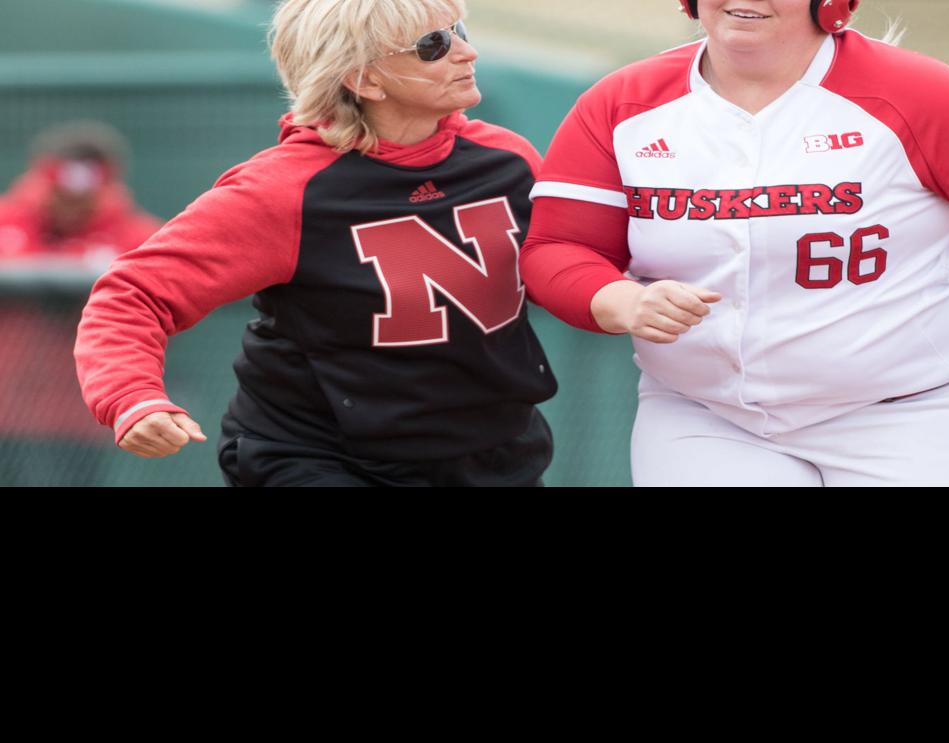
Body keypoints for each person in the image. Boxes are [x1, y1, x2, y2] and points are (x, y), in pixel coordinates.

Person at [521, 0, 949, 487]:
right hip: (708, 416)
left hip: (919, 414)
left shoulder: (912, 92)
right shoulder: (622, 103)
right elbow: (556, 249)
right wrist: (617, 301)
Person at [73, 0, 558, 486]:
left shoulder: (507, 157)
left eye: (458, 30)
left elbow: (561, 265)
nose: (466, 53)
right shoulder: (283, 190)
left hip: (493, 455)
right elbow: (132, 294)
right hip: (323, 460)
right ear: (364, 80)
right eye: (433, 45)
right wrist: (132, 398)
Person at [0, 122, 161, 266]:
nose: (70, 210)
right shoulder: (6, 221)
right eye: (59, 195)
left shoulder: (143, 240)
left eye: (83, 200)